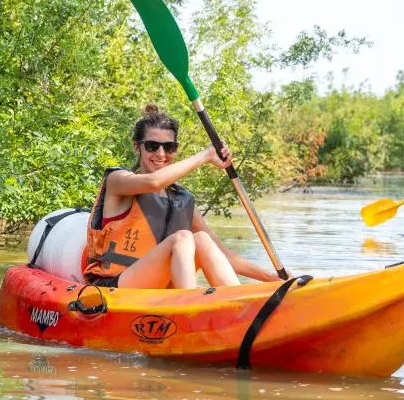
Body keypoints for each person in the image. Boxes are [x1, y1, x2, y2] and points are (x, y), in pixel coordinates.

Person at [83, 103, 279, 289]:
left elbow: (226, 256)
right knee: (183, 237)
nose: (161, 154)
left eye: (169, 147)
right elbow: (153, 182)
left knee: (201, 238)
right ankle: (191, 306)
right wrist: (206, 156)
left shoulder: (180, 199)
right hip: (115, 285)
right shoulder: (118, 180)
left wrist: (272, 279)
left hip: (159, 288)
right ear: (137, 147)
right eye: (152, 146)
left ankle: (237, 305)